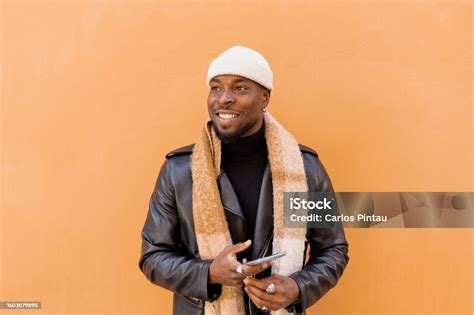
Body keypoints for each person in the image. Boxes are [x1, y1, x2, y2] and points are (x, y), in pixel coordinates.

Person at [139, 45, 349, 315]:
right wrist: (208, 273)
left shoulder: (304, 169)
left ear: (264, 98)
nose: (223, 98)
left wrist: (298, 288)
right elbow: (153, 256)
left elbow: (332, 249)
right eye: (215, 88)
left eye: (239, 88)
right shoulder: (179, 172)